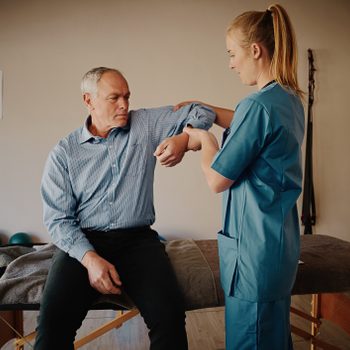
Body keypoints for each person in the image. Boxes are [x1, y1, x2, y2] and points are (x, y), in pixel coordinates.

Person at [35, 67, 215, 350]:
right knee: (51, 327)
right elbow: (58, 220)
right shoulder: (64, 153)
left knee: (169, 318)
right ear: (88, 100)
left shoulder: (143, 124)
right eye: (114, 98)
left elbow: (201, 111)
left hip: (138, 241)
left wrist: (182, 139)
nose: (124, 105)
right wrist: (90, 259)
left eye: (127, 97)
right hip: (84, 242)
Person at [164, 4, 305, 349]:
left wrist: (203, 139)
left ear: (255, 50)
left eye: (232, 53)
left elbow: (217, 179)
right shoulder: (288, 100)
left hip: (253, 256)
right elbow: (250, 125)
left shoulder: (257, 107)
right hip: (278, 247)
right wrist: (207, 109)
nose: (230, 63)